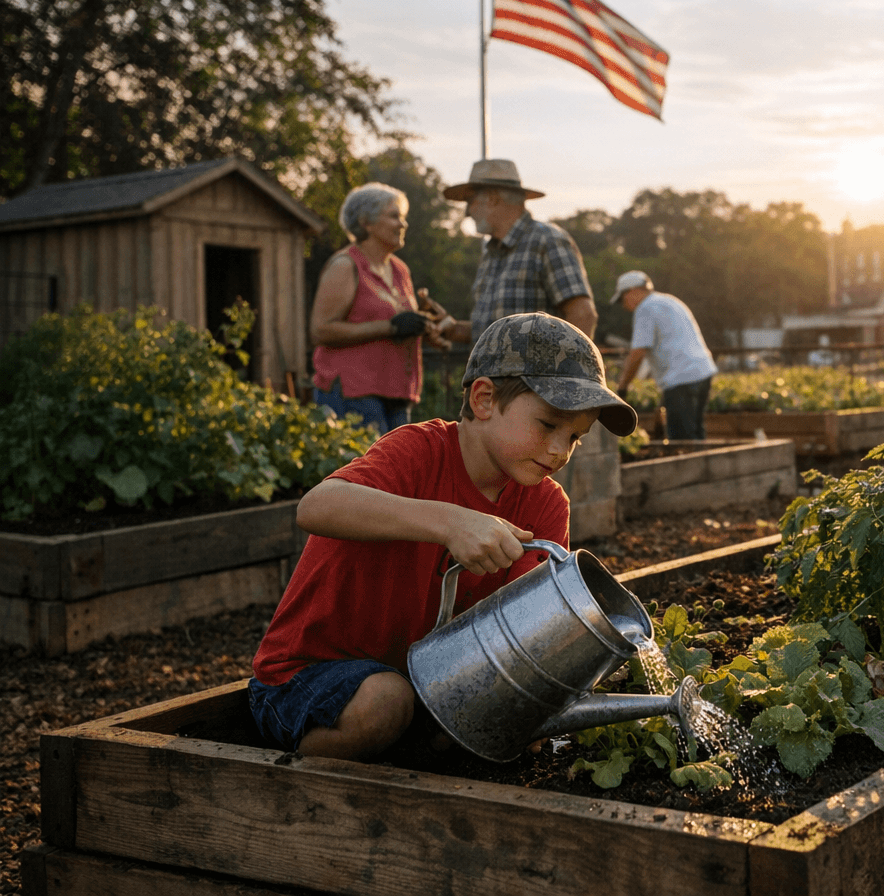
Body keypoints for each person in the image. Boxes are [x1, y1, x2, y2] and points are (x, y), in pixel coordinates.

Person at [248, 312, 637, 761]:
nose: (558, 450)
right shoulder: (419, 452)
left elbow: (527, 635)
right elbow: (317, 506)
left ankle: (407, 760)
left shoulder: (546, 505)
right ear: (484, 398)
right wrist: (451, 522)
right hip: (306, 677)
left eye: (575, 437)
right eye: (548, 425)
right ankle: (284, 774)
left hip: (421, 684)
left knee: (502, 721)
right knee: (385, 703)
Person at [310, 182, 443, 434]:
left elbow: (398, 326)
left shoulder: (400, 270)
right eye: (394, 216)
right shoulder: (345, 265)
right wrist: (390, 327)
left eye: (403, 217)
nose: (403, 224)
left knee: (398, 472)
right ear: (365, 222)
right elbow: (320, 330)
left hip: (398, 393)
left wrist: (425, 329)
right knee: (367, 471)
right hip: (354, 392)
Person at [427, 158, 598, 345]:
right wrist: (453, 329)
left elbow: (582, 315)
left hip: (535, 375)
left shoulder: (547, 241)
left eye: (470, 201)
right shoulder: (491, 254)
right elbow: (494, 332)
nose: (467, 212)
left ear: (492, 199)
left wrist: (569, 371)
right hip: (492, 375)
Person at [610, 270, 718, 441]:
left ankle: (688, 467)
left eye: (623, 299)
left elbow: (638, 352)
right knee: (696, 432)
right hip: (702, 372)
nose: (624, 305)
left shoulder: (645, 308)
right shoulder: (669, 301)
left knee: (682, 440)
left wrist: (622, 388)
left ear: (632, 291)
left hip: (682, 378)